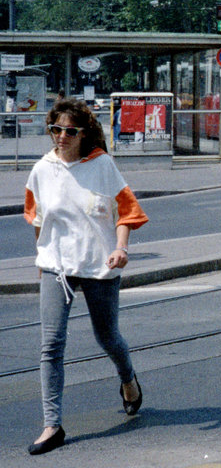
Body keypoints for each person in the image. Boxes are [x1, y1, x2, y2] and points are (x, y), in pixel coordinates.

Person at [23, 98, 149, 455]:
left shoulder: (102, 165)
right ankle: (52, 425)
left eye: (69, 131)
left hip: (99, 264)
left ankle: (128, 380)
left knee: (107, 337)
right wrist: (41, 256)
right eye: (55, 129)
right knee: (51, 345)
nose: (61, 137)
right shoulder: (41, 170)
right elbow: (37, 219)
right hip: (56, 267)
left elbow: (127, 210)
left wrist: (121, 248)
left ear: (83, 133)